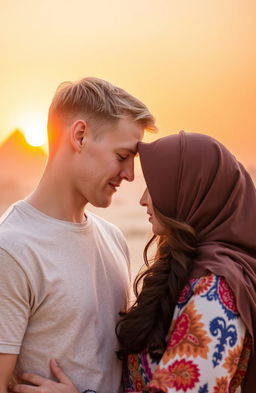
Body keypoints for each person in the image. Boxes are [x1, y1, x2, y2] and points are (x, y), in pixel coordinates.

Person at [11, 131, 256, 393]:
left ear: (190, 191)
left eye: (155, 187)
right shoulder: (186, 271)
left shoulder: (215, 292)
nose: (142, 199)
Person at [0, 77, 157, 393]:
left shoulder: (113, 238)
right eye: (122, 156)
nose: (129, 175)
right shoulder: (12, 249)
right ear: (80, 136)